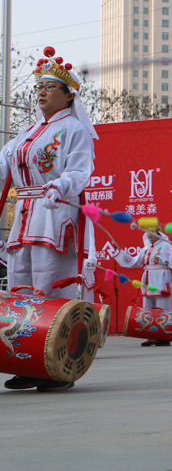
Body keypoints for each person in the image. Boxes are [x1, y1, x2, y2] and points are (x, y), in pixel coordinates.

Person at [2, 47, 98, 392]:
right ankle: (27, 359)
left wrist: (60, 187)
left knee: (51, 288)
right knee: (20, 289)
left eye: (49, 87)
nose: (41, 92)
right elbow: (5, 169)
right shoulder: (25, 134)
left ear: (68, 95)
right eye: (38, 87)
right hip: (25, 217)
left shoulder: (74, 129)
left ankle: (57, 366)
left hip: (55, 214)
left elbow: (80, 170)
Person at [113, 225, 172, 346]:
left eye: (152, 231)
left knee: (162, 308)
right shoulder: (145, 249)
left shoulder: (167, 246)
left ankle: (164, 336)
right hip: (148, 278)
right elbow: (134, 262)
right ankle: (150, 336)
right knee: (148, 308)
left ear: (158, 232)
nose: (149, 234)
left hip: (161, 277)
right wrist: (119, 253)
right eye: (146, 231)